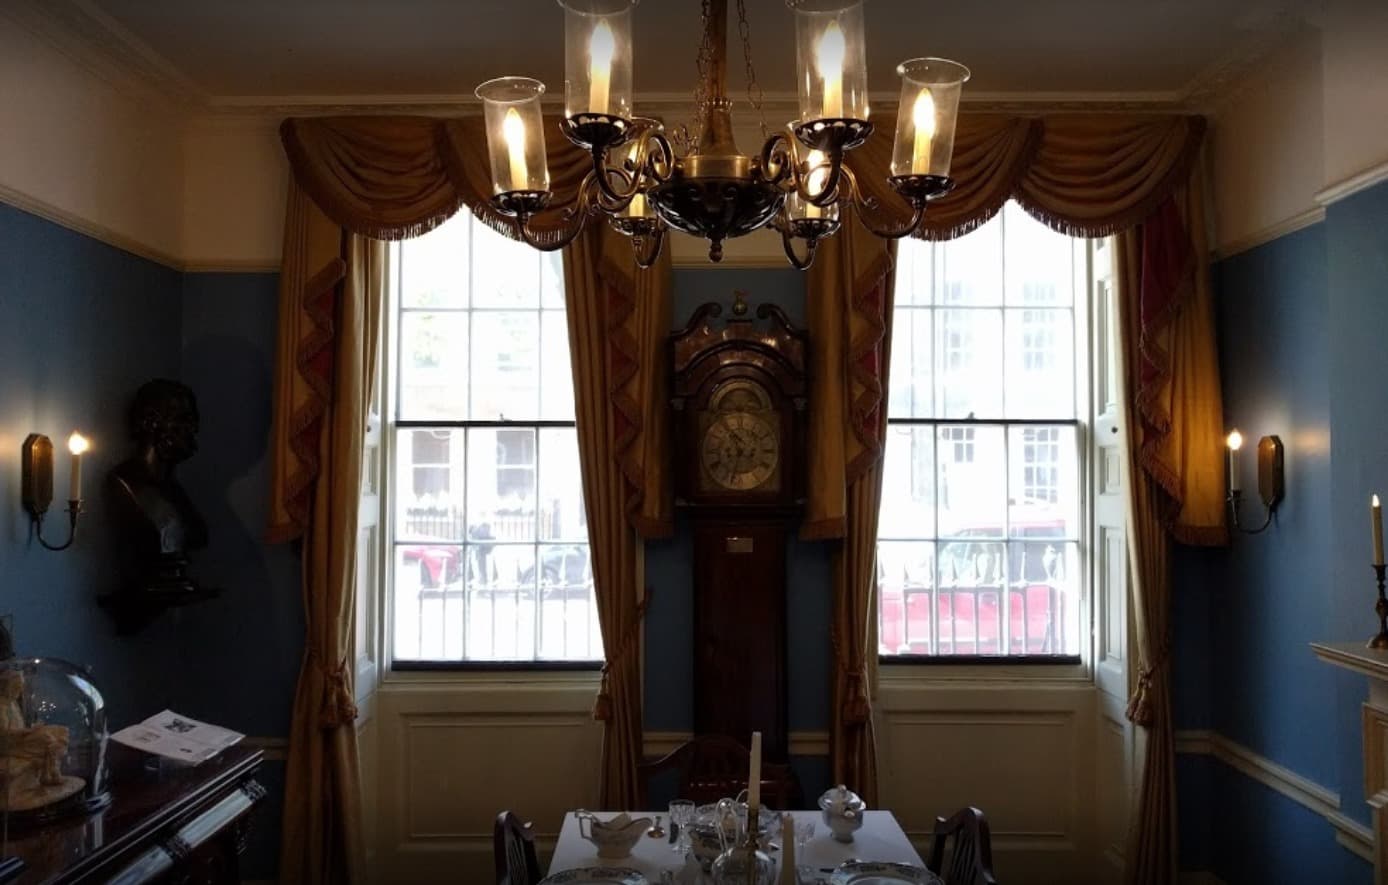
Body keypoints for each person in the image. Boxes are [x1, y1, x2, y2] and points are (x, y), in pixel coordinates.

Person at [108, 379, 209, 595]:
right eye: (184, 419)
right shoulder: (126, 483)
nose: (194, 429)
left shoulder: (174, 491)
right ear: (151, 422)